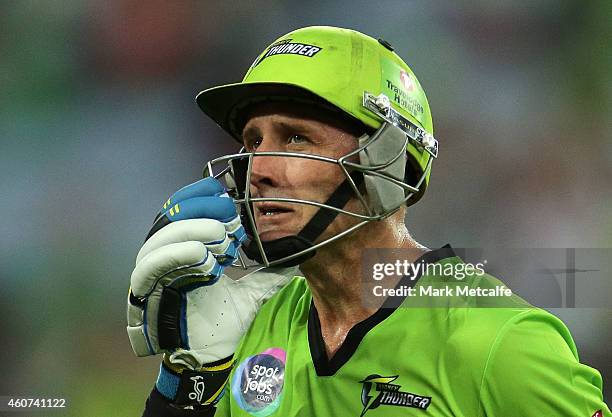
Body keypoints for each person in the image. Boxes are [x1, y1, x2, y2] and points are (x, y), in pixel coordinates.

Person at [127, 26, 610, 416]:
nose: (260, 170)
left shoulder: (498, 342)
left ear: (385, 161)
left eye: (295, 139)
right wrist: (188, 387)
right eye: (253, 141)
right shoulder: (250, 326)